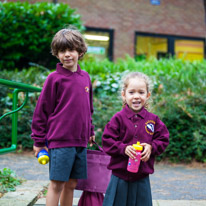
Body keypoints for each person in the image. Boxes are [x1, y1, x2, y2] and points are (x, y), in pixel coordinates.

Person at [31, 27, 95, 206]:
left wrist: (90, 130)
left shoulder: (85, 77)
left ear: (80, 52)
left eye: (71, 50)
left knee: (72, 184)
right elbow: (41, 111)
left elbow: (89, 108)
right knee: (57, 183)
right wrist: (38, 141)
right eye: (62, 51)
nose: (67, 54)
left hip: (80, 142)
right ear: (57, 54)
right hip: (60, 141)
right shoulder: (54, 78)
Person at [102, 72, 169, 206]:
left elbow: (163, 139)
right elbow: (107, 141)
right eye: (131, 92)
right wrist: (123, 148)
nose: (136, 96)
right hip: (119, 177)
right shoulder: (118, 119)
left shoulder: (153, 120)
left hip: (141, 178)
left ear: (147, 95)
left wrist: (151, 147)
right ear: (124, 95)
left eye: (141, 92)